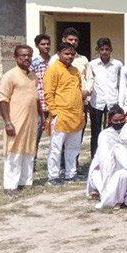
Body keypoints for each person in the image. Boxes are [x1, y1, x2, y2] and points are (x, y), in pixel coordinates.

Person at [0, 45, 42, 194]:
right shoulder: (10, 75)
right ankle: (10, 186)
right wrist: (7, 122)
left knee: (28, 151)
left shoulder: (33, 75)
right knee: (14, 152)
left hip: (31, 121)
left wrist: (41, 117)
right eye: (23, 55)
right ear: (15, 57)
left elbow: (36, 98)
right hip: (15, 121)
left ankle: (25, 182)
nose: (26, 58)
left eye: (29, 55)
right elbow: (3, 100)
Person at [44, 42, 86, 185]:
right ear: (59, 54)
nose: (69, 56)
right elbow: (48, 93)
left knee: (73, 148)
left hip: (76, 115)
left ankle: (70, 174)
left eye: (72, 54)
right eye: (66, 53)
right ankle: (53, 176)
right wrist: (54, 112)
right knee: (56, 148)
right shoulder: (53, 69)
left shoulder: (75, 70)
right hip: (61, 115)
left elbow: (79, 90)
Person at [88, 38, 122, 158]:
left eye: (107, 49)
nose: (104, 52)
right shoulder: (92, 64)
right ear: (98, 50)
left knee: (112, 131)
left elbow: (122, 81)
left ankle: (112, 156)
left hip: (112, 101)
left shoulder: (117, 64)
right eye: (102, 49)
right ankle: (95, 158)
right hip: (97, 101)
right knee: (96, 132)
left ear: (111, 49)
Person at [86, 105, 126, 198]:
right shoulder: (105, 134)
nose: (119, 123)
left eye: (121, 120)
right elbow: (105, 158)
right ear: (110, 120)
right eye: (116, 121)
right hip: (104, 167)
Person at [31, 34, 51, 152]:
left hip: (53, 103)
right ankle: (32, 159)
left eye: (48, 44)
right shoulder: (34, 63)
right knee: (36, 133)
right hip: (39, 103)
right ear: (37, 46)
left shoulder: (54, 61)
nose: (46, 46)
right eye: (43, 44)